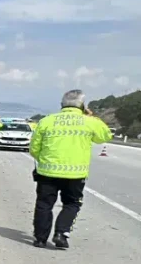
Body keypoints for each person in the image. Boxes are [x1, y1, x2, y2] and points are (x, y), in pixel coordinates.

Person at [28, 89, 113, 249]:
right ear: (82, 106)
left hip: (47, 172)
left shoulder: (47, 121)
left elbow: (34, 148)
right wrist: (91, 116)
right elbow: (105, 136)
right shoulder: (88, 121)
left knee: (44, 204)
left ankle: (40, 239)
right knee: (72, 204)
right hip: (75, 174)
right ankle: (61, 233)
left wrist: (45, 160)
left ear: (61, 104)